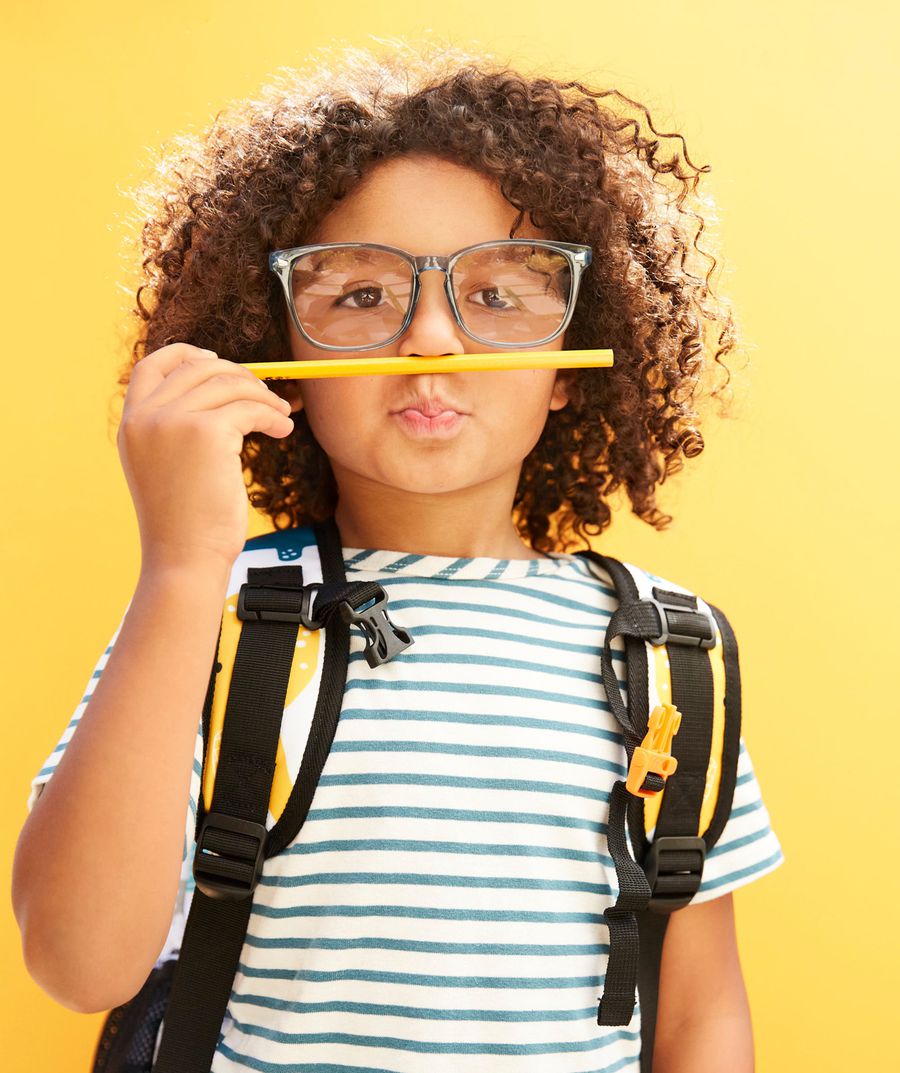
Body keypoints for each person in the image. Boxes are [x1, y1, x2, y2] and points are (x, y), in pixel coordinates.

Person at [11, 37, 783, 1073]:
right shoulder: (221, 611)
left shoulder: (669, 654)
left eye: (499, 296)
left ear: (571, 361)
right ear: (276, 347)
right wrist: (183, 566)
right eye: (362, 296)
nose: (430, 337)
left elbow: (697, 1017)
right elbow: (79, 961)